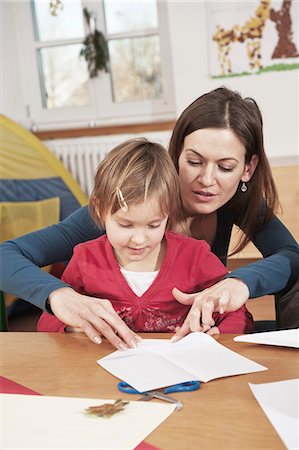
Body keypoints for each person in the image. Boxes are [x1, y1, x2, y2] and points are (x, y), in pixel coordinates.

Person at [0, 87, 298, 349]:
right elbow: (6, 255)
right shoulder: (117, 211)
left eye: (225, 167)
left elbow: (290, 256)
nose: (207, 179)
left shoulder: (238, 202)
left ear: (247, 168)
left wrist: (239, 282)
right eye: (194, 161)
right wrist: (59, 296)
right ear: (175, 155)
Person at [37, 139, 254, 339]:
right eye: (125, 224)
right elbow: (48, 321)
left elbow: (238, 315)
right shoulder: (86, 259)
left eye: (153, 225)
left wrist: (220, 333)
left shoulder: (195, 256)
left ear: (169, 212)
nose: (139, 239)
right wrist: (75, 327)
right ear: (100, 208)